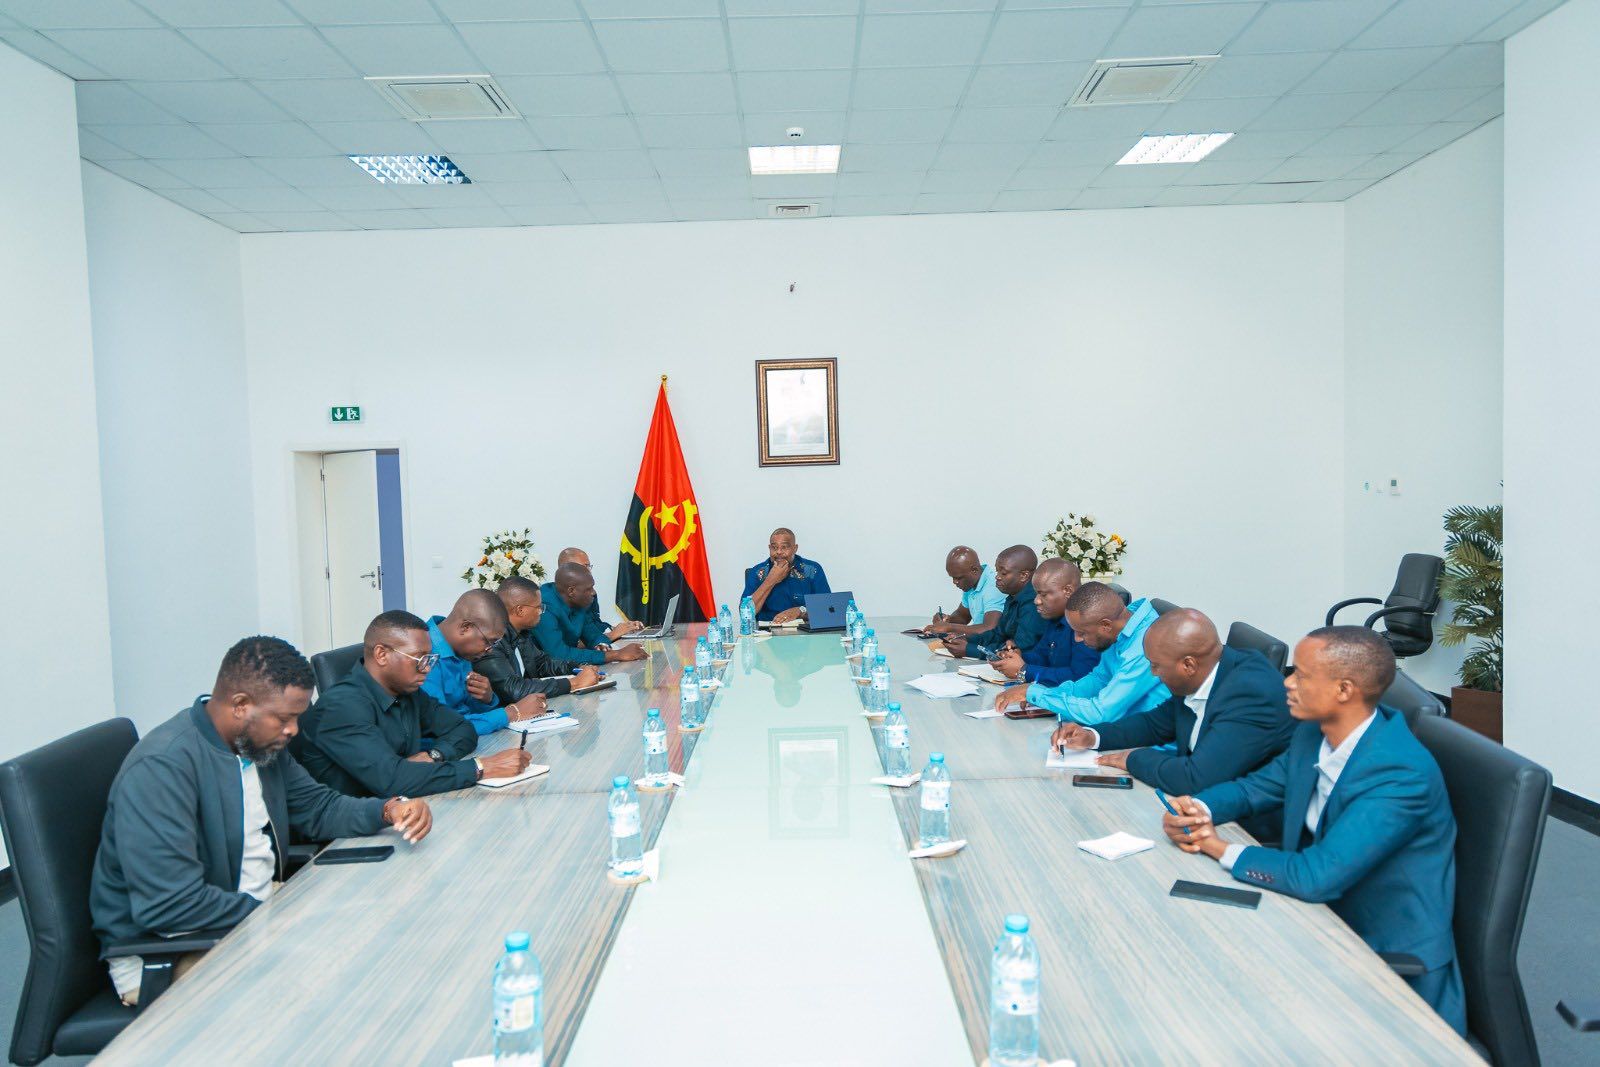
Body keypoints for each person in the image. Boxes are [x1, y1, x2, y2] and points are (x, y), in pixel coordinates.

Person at [91, 636, 434, 1006]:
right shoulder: (163, 768)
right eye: (284, 719)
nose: (293, 731)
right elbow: (171, 904)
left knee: (385, 923)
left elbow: (317, 808)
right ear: (241, 705)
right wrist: (285, 915)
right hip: (176, 948)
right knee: (345, 977)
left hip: (251, 912)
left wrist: (387, 809)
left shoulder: (257, 744)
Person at [1160, 626, 1465, 1035]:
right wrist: (1198, 809)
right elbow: (1257, 788)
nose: (1287, 682)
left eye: (1301, 675)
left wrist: (1216, 846)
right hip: (1315, 918)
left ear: (1344, 690)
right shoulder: (1314, 732)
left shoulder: (1398, 773)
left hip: (1383, 963)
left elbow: (1317, 875)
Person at [1050, 608, 1295, 806]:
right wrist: (1092, 735)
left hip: (1247, 826)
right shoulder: (1202, 674)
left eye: (1156, 665)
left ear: (1188, 665)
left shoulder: (1251, 692)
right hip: (1201, 803)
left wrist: (1133, 758)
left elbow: (1195, 778)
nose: (1153, 673)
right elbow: (1155, 724)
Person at [294, 610, 532, 798]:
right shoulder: (341, 707)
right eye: (419, 659)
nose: (426, 669)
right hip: (352, 829)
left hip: (406, 805)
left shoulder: (408, 691)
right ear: (382, 654)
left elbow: (463, 729)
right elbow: (391, 780)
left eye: (430, 659)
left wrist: (435, 755)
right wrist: (480, 768)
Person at [995, 581, 1168, 723]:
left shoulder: (1145, 645)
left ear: (1106, 625)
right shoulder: (1122, 626)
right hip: (1121, 727)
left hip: (1148, 742)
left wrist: (1035, 693)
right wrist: (1044, 695)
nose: (1077, 639)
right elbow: (1098, 679)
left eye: (1082, 633)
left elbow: (1100, 712)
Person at [420, 589, 545, 735]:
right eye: (488, 641)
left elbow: (467, 711)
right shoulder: (424, 655)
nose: (490, 650)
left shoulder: (462, 650)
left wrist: (486, 699)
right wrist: (512, 712)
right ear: (466, 628)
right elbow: (442, 727)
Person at [475, 576, 603, 706]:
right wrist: (574, 683)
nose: (541, 612)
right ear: (520, 610)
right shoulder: (491, 641)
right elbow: (514, 689)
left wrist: (577, 668)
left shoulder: (521, 633)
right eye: (538, 607)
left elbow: (543, 663)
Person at [990, 558, 1100, 686]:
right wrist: (1016, 657)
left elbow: (1081, 677)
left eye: (1043, 595)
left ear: (1068, 591)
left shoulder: (1087, 624)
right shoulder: (1055, 618)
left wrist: (1024, 671)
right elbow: (1041, 656)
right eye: (1036, 594)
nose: (1036, 601)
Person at [941, 545, 1044, 659]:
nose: (997, 577)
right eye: (997, 571)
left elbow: (1021, 648)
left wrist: (968, 650)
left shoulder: (1032, 603)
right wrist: (967, 639)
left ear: (1024, 576)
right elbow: (997, 634)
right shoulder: (1012, 596)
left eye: (1003, 573)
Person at [537, 563, 649, 666]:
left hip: (566, 666)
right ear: (571, 591)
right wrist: (615, 654)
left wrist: (601, 644)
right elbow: (558, 655)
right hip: (542, 673)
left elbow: (592, 634)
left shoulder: (576, 600)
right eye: (589, 589)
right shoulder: (543, 607)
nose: (593, 592)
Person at [742, 527, 831, 623]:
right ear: (769, 548)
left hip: (803, 628)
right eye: (774, 547)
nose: (779, 552)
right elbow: (745, 614)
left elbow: (828, 607)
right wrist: (771, 580)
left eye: (784, 547)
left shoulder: (812, 570)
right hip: (768, 628)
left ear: (795, 548)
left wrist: (800, 611)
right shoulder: (758, 572)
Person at [558, 547, 644, 640]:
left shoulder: (590, 593)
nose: (589, 571)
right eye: (585, 566)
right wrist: (613, 634)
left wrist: (623, 628)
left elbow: (596, 625)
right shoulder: (557, 601)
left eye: (589, 566)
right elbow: (572, 643)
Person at [925, 546, 1005, 636]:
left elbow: (990, 629)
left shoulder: (995, 586)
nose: (954, 582)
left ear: (974, 570)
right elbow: (962, 615)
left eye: (959, 578)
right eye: (952, 577)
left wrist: (949, 627)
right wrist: (946, 620)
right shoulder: (971, 584)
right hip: (981, 640)